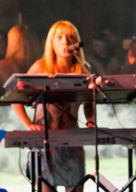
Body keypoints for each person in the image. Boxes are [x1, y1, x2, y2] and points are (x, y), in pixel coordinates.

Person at [11, 20, 95, 192]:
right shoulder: (40, 67)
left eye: (70, 37)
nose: (65, 41)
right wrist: (28, 124)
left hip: (73, 142)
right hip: (45, 144)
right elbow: (15, 99)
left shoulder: (83, 69)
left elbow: (89, 102)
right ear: (52, 42)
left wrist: (91, 119)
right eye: (60, 37)